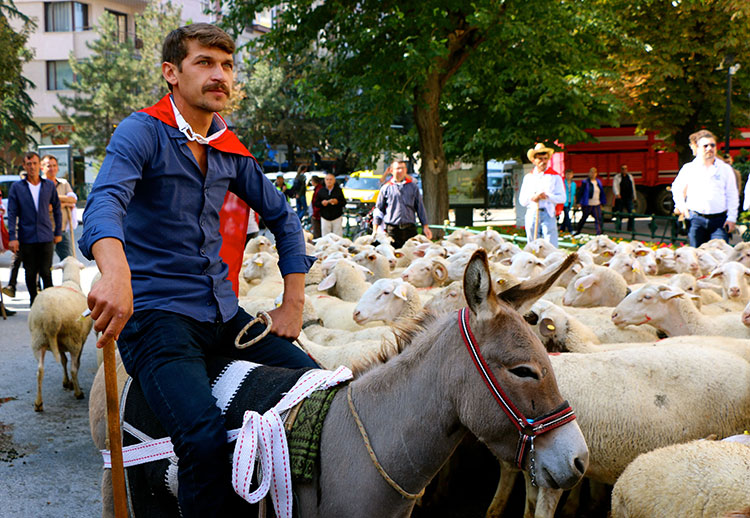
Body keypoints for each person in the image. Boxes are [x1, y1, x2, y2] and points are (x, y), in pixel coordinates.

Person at [78, 24, 317, 517]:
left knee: (321, 388)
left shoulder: (228, 145)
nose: (220, 75)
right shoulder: (141, 131)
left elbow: (284, 221)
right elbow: (104, 205)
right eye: (205, 63)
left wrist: (293, 304)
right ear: (171, 72)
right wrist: (115, 272)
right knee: (202, 439)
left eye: (227, 65)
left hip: (224, 318)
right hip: (156, 320)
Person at [7, 152, 62, 305]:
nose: (32, 167)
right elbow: (12, 213)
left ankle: (50, 304)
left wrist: (58, 232)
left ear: (39, 166)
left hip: (46, 236)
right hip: (27, 237)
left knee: (46, 272)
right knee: (30, 273)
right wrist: (13, 237)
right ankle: (35, 303)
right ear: (24, 166)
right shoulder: (17, 188)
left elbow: (57, 209)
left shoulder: (48, 186)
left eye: (34, 163)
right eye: (28, 164)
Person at [672, 129, 739, 247]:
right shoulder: (689, 168)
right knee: (697, 258)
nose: (709, 148)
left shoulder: (724, 169)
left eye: (712, 145)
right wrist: (682, 207)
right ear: (697, 148)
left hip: (720, 221)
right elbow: (676, 188)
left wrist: (732, 218)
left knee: (720, 257)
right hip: (696, 220)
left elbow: (732, 194)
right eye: (705, 146)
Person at [373, 160, 432, 248]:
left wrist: (425, 226)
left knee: (411, 256)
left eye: (402, 168)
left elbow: (420, 207)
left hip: (409, 229)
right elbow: (379, 210)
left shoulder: (413, 187)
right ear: (391, 171)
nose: (400, 171)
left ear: (406, 170)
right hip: (392, 230)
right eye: (398, 168)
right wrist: (375, 229)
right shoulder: (386, 188)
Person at [518, 144, 566, 246]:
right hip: (532, 213)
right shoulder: (529, 178)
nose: (543, 161)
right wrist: (533, 198)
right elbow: (522, 200)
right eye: (540, 159)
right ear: (534, 160)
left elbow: (562, 198)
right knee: (532, 244)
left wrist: (548, 196)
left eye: (545, 159)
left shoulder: (555, 176)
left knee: (550, 244)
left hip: (548, 213)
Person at [41, 154, 78, 259]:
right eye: (49, 166)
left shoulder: (64, 183)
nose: (52, 168)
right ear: (42, 167)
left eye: (54, 165)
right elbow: (47, 207)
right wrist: (65, 203)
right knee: (44, 263)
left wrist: (57, 200)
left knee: (69, 261)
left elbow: (73, 199)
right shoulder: (40, 184)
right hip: (45, 230)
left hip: (62, 229)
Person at [575, 167, 607, 235]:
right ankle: (578, 230)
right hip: (588, 203)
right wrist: (578, 202)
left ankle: (599, 233)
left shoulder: (598, 182)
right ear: (589, 173)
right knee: (584, 218)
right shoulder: (585, 182)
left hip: (596, 203)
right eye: (591, 172)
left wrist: (602, 202)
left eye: (594, 173)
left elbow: (601, 192)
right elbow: (580, 192)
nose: (593, 174)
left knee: (598, 218)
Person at [313, 171, 346, 236]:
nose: (329, 181)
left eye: (331, 179)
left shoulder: (338, 190)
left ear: (334, 181)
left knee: (337, 236)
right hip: (325, 216)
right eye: (327, 179)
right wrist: (322, 203)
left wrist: (337, 202)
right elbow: (316, 203)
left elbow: (344, 202)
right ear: (324, 181)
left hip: (336, 216)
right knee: (325, 236)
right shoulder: (321, 191)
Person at [612, 164, 636, 231]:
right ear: (621, 170)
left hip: (629, 197)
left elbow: (633, 187)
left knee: (631, 213)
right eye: (623, 169)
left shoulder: (630, 176)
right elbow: (615, 186)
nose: (624, 170)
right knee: (619, 213)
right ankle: (618, 227)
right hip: (620, 198)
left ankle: (630, 227)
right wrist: (617, 194)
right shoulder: (617, 177)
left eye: (625, 168)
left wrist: (634, 196)